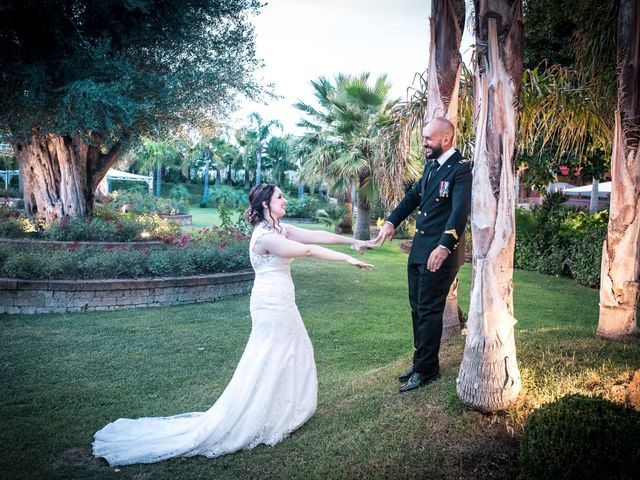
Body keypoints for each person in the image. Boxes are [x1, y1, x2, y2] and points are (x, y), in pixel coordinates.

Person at [93, 183, 373, 466]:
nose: (285, 200)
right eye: (280, 197)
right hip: (270, 304)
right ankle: (256, 414)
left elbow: (315, 235)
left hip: (283, 298)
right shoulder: (264, 237)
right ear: (265, 204)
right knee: (270, 355)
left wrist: (352, 241)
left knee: (289, 351)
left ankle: (281, 409)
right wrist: (348, 258)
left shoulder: (279, 227)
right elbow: (308, 250)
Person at [374, 117, 471, 393]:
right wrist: (392, 221)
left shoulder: (461, 169)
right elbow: (412, 198)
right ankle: (420, 363)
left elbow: (459, 211)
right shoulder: (431, 167)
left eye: (428, 138)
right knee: (417, 308)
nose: (424, 142)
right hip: (419, 250)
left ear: (446, 139)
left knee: (429, 310)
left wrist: (444, 246)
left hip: (441, 252)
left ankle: (427, 370)